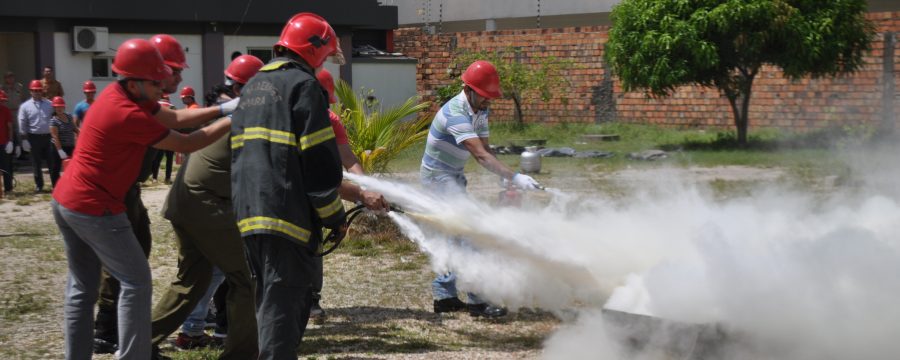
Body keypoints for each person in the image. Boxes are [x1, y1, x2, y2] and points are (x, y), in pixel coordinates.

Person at [51, 38, 232, 360]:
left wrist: (222, 108)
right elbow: (186, 143)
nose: (163, 84)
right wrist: (233, 119)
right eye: (156, 80)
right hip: (96, 207)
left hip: (68, 200)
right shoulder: (127, 113)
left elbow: (174, 119)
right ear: (134, 82)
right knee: (135, 281)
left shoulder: (121, 94)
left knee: (82, 288)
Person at [230, 12, 348, 359]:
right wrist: (333, 216)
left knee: (269, 303)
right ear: (313, 50)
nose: (325, 62)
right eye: (325, 56)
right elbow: (319, 163)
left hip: (250, 214)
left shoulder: (252, 87)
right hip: (287, 219)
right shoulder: (303, 86)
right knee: (283, 312)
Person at [149, 54, 265, 359]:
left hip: (184, 204)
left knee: (191, 280)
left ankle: (140, 341)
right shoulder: (243, 117)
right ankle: (241, 354)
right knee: (244, 279)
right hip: (206, 205)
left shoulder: (226, 111)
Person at [421, 60, 541, 318]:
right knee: (470, 234)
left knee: (451, 234)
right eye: (484, 96)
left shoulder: (480, 110)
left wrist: (506, 177)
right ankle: (479, 301)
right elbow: (479, 155)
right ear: (469, 89)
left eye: (490, 97)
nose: (488, 102)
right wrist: (516, 176)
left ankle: (445, 297)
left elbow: (487, 150)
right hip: (437, 180)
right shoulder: (455, 113)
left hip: (453, 176)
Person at [308, 68, 369, 322]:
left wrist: (366, 187)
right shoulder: (293, 122)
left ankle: (311, 300)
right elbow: (319, 176)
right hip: (294, 192)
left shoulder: (330, 120)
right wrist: (358, 194)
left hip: (315, 192)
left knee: (313, 241)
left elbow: (347, 157)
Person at [18, 79, 54, 192]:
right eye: (34, 90)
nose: (37, 92)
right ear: (30, 91)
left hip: (49, 137)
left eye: (39, 90)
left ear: (42, 91)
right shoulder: (25, 106)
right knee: (36, 163)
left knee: (52, 162)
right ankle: (39, 186)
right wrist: (24, 139)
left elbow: (55, 118)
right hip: (34, 137)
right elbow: (22, 122)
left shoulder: (49, 104)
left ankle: (56, 185)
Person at [49, 96, 78, 180]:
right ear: (54, 108)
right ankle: (56, 188)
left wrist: (81, 134)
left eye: (61, 106)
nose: (59, 108)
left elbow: (74, 128)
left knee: (71, 168)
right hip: (58, 147)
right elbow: (55, 136)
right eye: (57, 107)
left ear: (64, 107)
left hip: (70, 146)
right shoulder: (53, 121)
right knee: (55, 168)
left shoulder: (69, 116)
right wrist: (60, 150)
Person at [0, 90, 13, 194]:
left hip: (4, 143)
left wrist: (10, 141)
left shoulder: (6, 110)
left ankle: (8, 188)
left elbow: (10, 127)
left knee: (6, 166)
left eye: (3, 101)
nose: (2, 102)